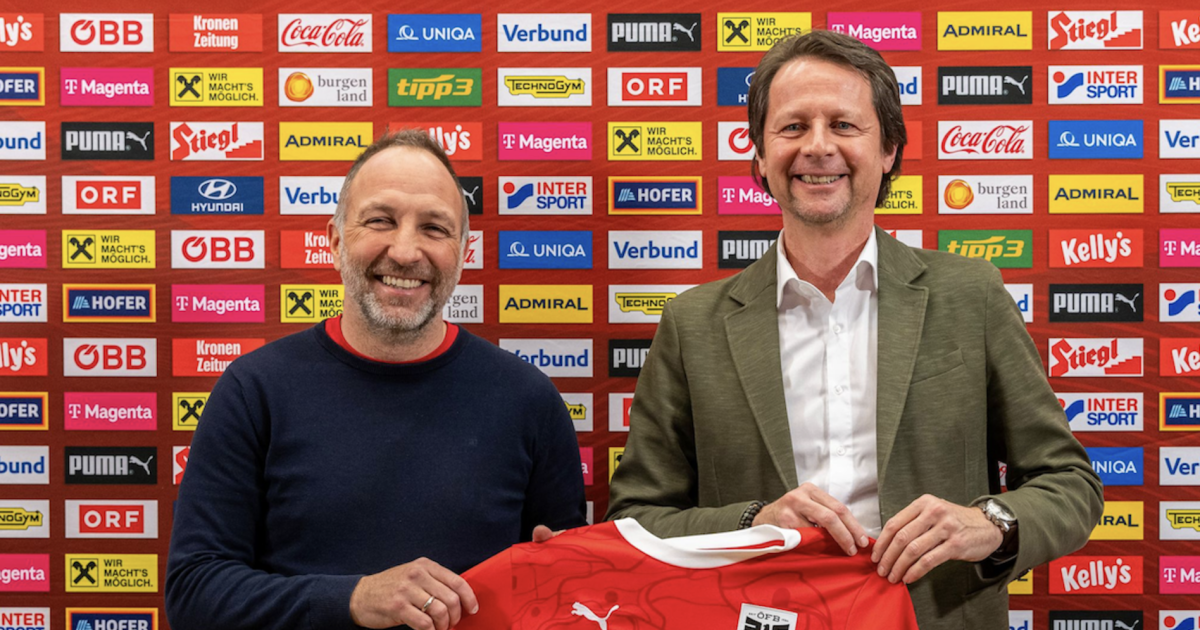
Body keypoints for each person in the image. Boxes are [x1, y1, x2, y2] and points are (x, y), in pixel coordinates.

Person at [606, 30, 1102, 630]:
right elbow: (636, 520)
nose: (818, 146)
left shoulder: (971, 296)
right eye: (793, 127)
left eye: (843, 125)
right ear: (758, 155)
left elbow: (1069, 484)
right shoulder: (693, 324)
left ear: (889, 148)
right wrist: (753, 524)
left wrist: (989, 522)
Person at [166, 130, 587, 630]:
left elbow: (573, 599)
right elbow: (193, 592)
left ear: (463, 251)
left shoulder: (529, 399)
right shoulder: (253, 390)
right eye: (381, 220)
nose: (405, 251)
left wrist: (554, 578)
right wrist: (353, 599)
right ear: (335, 239)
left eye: (434, 227)